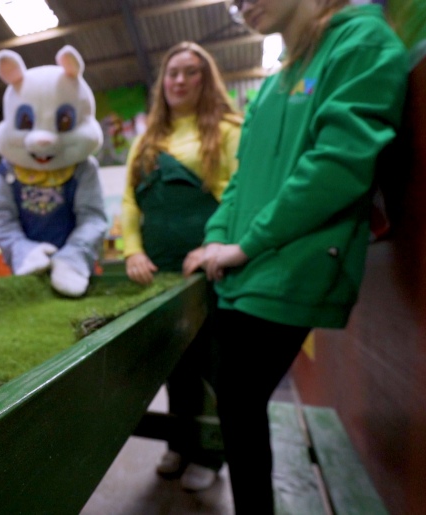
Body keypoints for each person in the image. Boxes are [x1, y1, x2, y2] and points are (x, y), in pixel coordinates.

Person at [185, 1, 409, 512]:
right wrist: (216, 236)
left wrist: (244, 245)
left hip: (290, 267)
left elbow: (337, 166)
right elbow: (242, 178)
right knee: (236, 403)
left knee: (239, 401)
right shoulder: (272, 82)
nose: (241, 4)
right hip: (245, 268)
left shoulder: (362, 44)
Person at [121, 41, 242, 491]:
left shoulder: (229, 129)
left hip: (213, 268)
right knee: (175, 360)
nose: (180, 80)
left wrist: (215, 244)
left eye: (191, 72)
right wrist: (133, 250)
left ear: (206, 79)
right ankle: (180, 442)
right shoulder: (146, 140)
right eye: (172, 72)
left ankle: (211, 454)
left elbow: (240, 192)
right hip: (160, 271)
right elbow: (130, 204)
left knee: (213, 360)